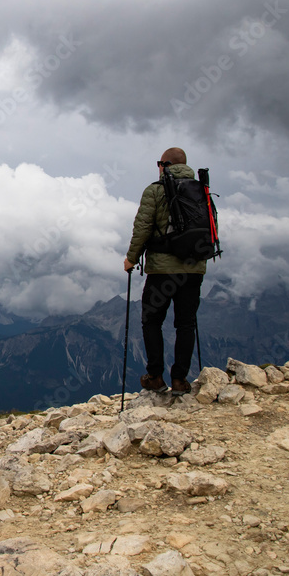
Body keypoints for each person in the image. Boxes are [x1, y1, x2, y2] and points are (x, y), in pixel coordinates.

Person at [122, 147, 206, 395]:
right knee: (186, 324)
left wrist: (131, 258)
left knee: (152, 320)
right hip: (193, 270)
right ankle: (180, 380)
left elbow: (143, 228)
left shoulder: (156, 191)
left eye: (159, 163)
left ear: (164, 165)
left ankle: (155, 377)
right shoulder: (201, 189)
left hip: (161, 270)